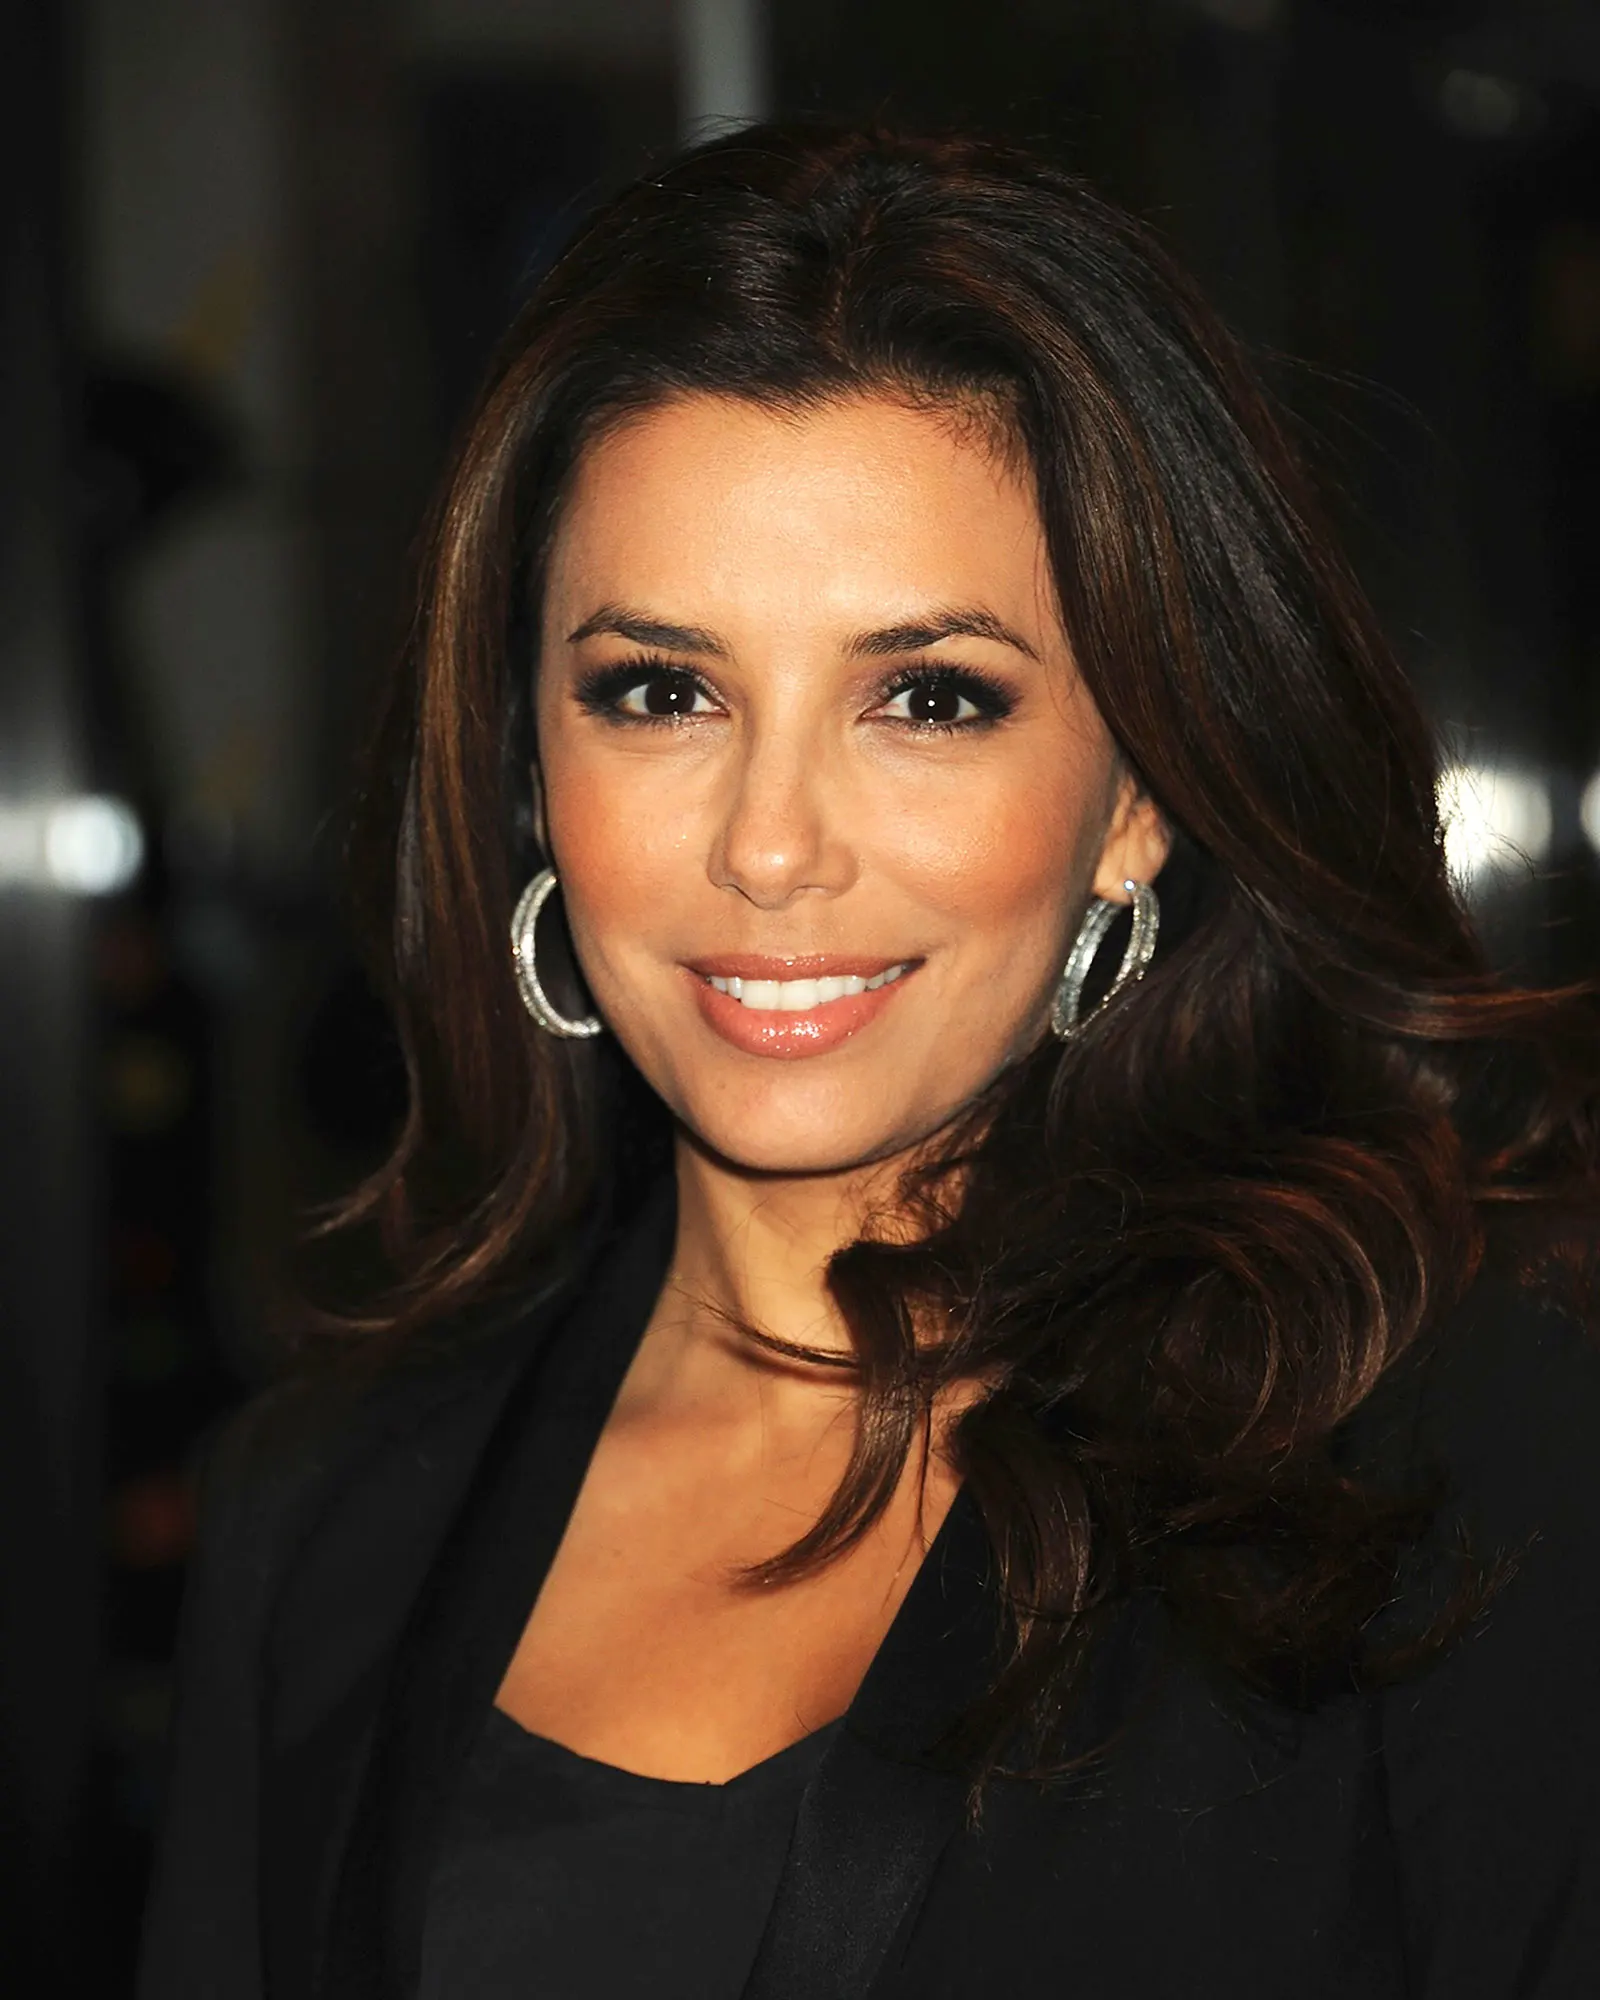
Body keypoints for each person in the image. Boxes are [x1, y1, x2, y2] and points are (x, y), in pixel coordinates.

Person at [139, 124, 1600, 2000]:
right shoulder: (329, 1513)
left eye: (927, 699)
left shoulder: (1454, 1465)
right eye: (663, 692)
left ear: (1139, 796)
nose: (771, 847)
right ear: (529, 765)